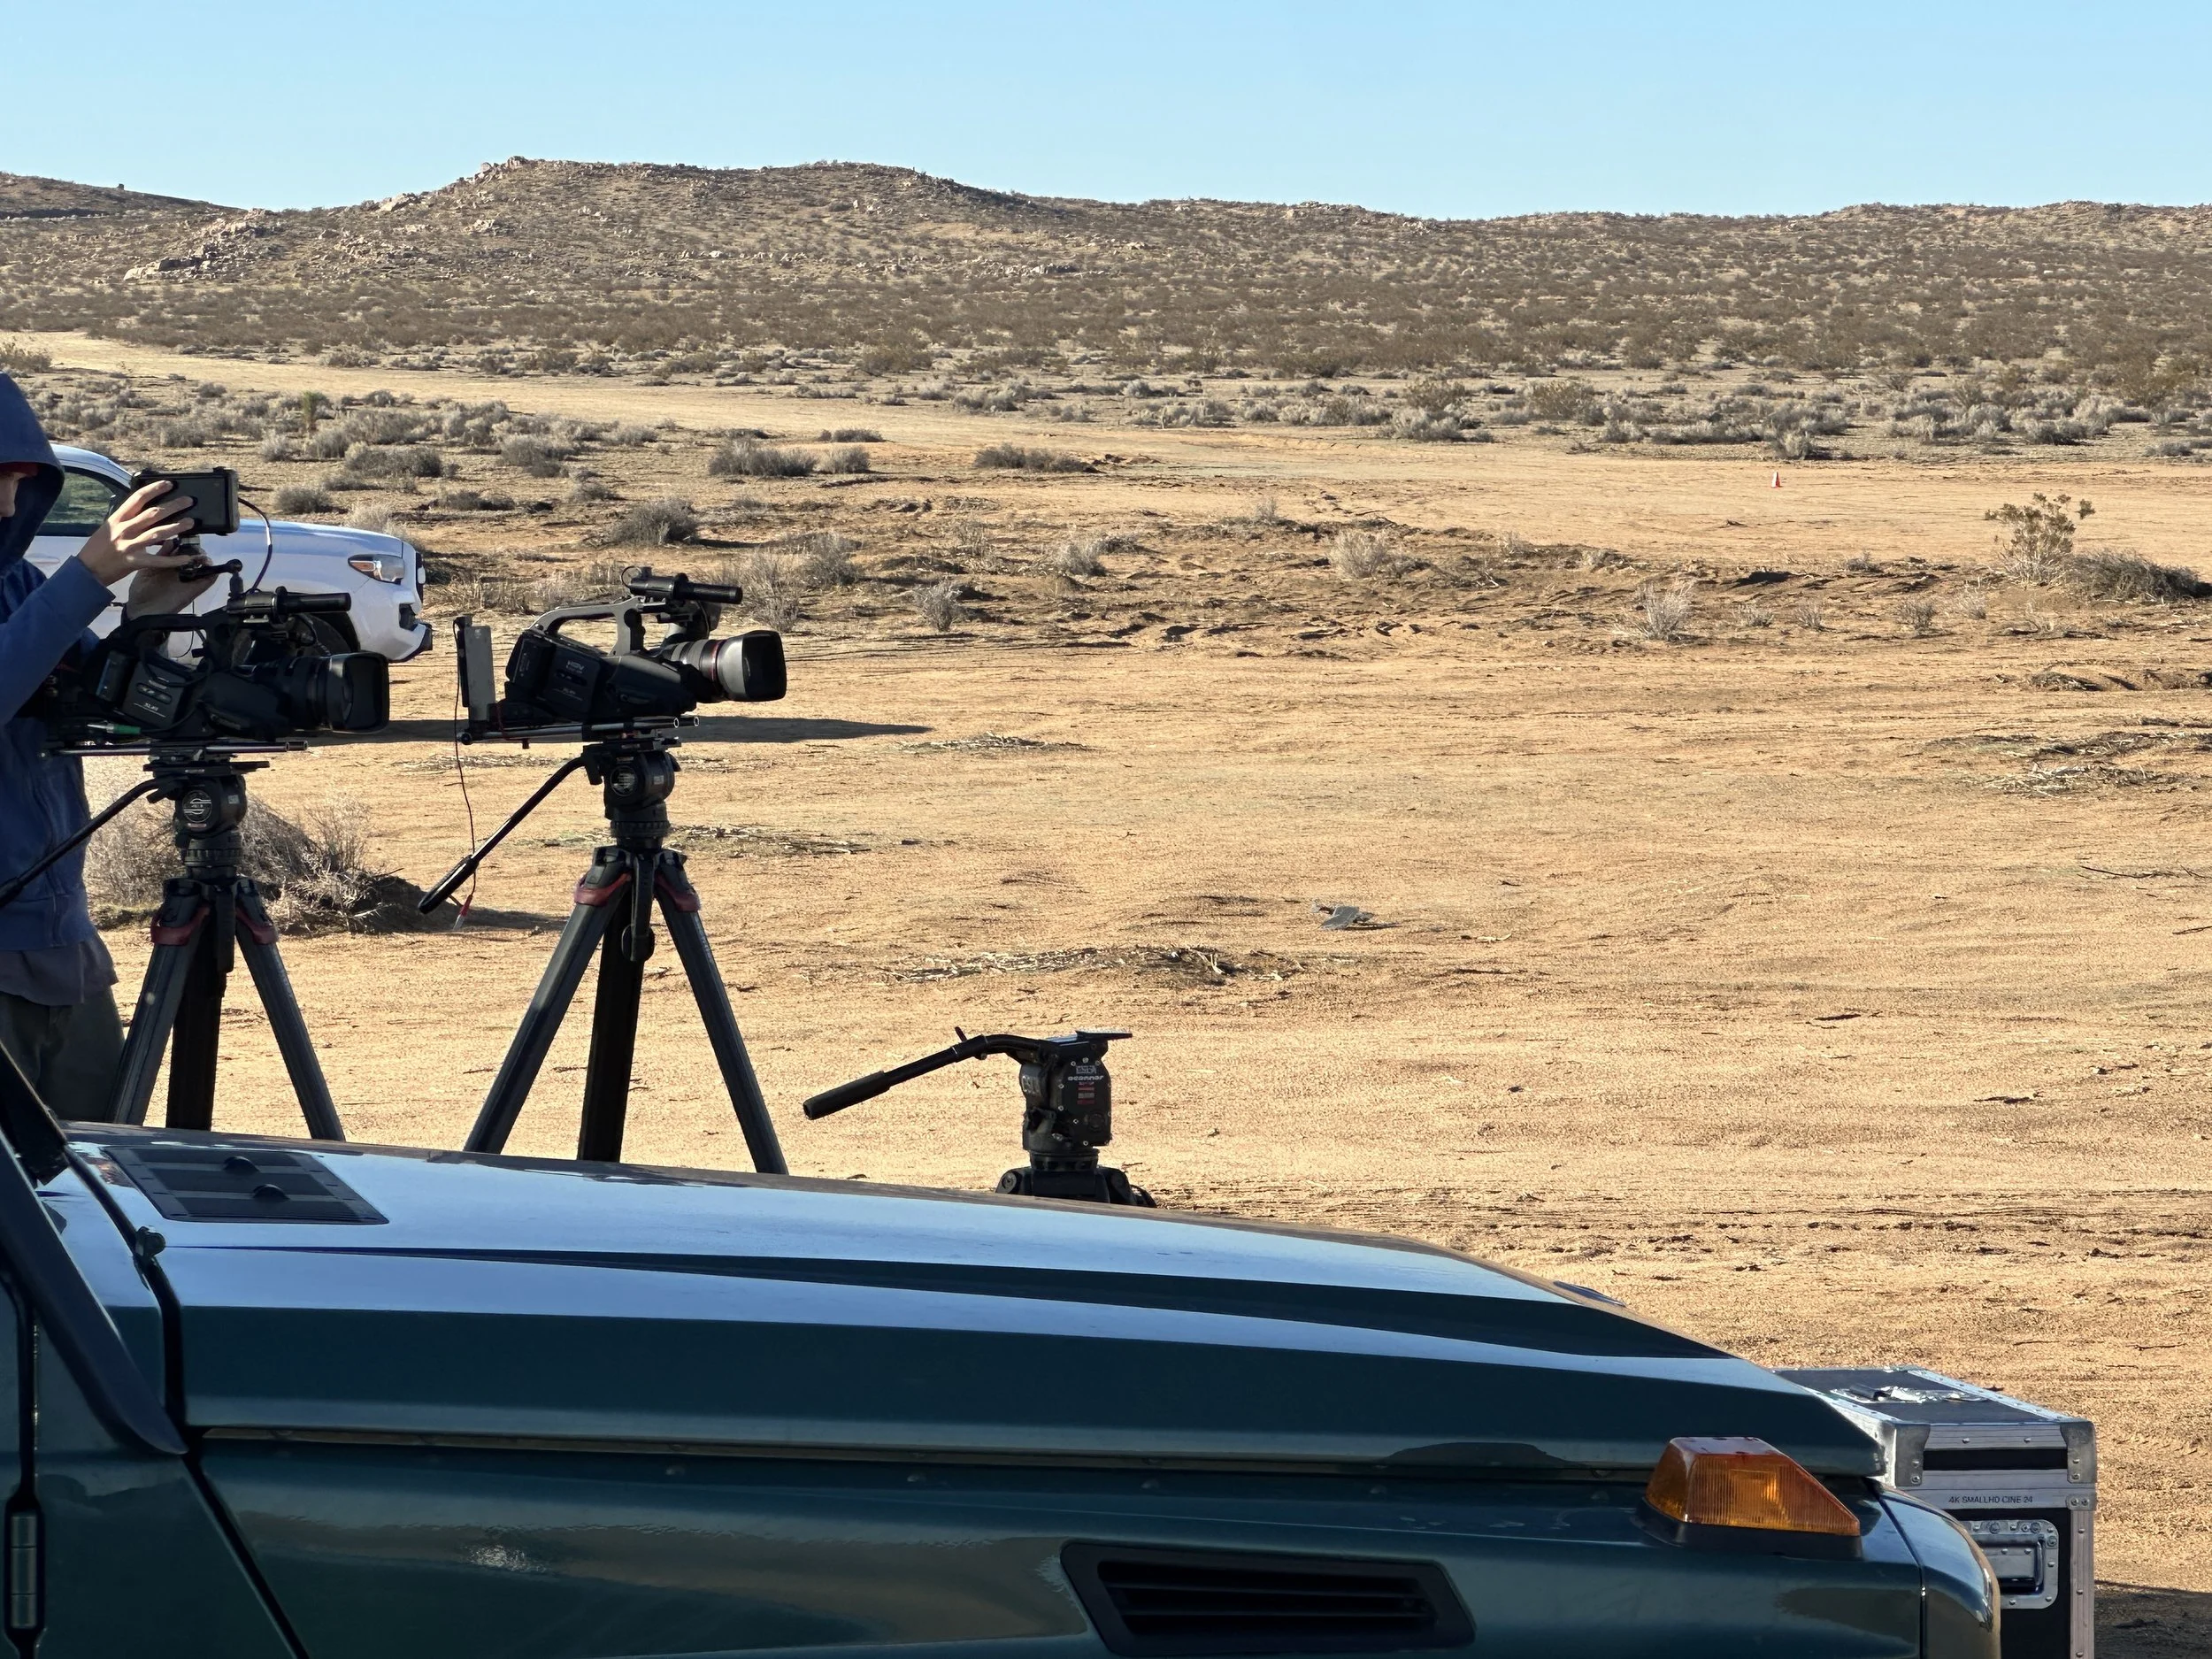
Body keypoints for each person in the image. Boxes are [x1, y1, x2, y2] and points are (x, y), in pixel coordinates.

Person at [0, 372, 212, 1116]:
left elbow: (104, 709)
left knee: (99, 1185)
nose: (20, 478)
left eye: (25, 465)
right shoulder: (48, 593)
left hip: (66, 949)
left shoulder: (20, 584)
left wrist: (146, 623)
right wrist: (91, 572)